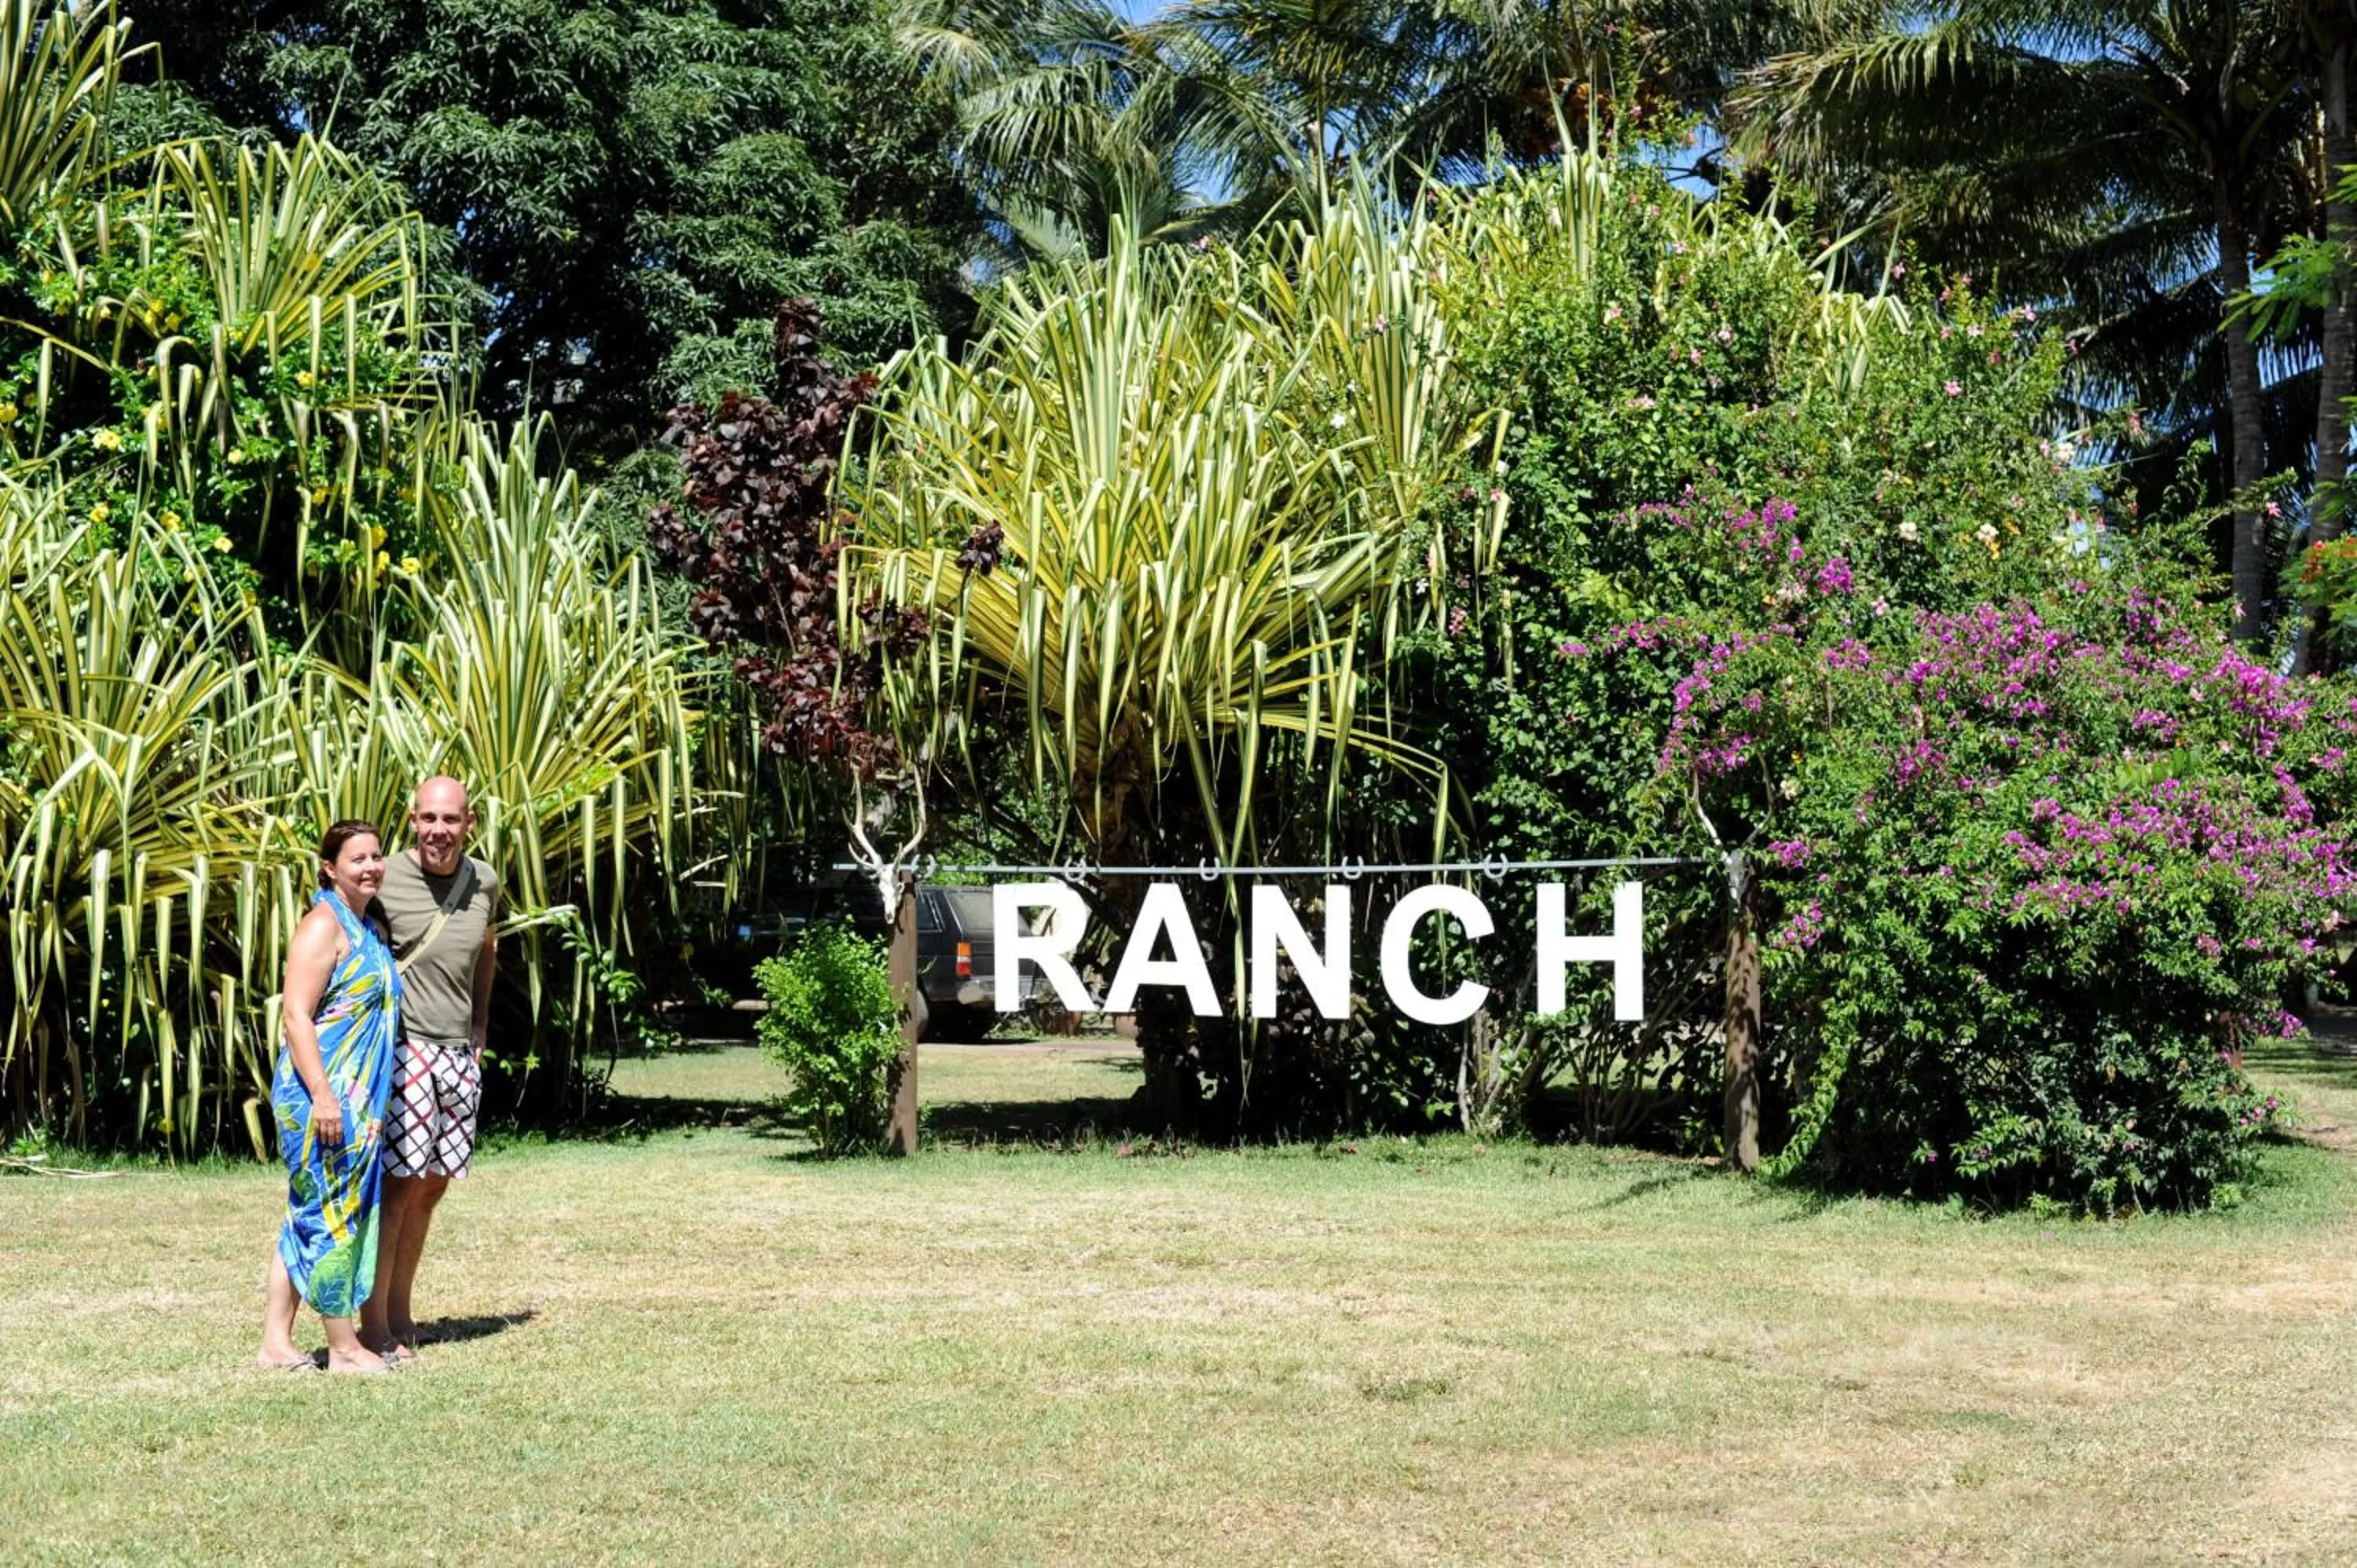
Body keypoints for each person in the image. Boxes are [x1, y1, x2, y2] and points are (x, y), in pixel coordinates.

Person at [362, 775, 500, 1365]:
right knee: (398, 1190)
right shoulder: (385, 877)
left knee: (433, 1186)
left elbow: (487, 949)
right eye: (428, 819)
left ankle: (403, 1313)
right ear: (412, 821)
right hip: (407, 1050)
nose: (439, 831)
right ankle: (376, 1327)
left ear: (469, 824)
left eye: (451, 820)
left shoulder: (484, 881)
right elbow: (341, 939)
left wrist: (480, 1028)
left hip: (457, 1051)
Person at [257, 820, 401, 1375]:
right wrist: (323, 1095)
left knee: (308, 1212)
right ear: (329, 868)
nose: (370, 867)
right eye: (357, 859)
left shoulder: (364, 925)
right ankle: (342, 1347)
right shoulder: (323, 926)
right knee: (335, 1215)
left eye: (376, 856)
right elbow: (295, 1014)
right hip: (323, 1096)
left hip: (353, 1099)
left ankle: (275, 1343)